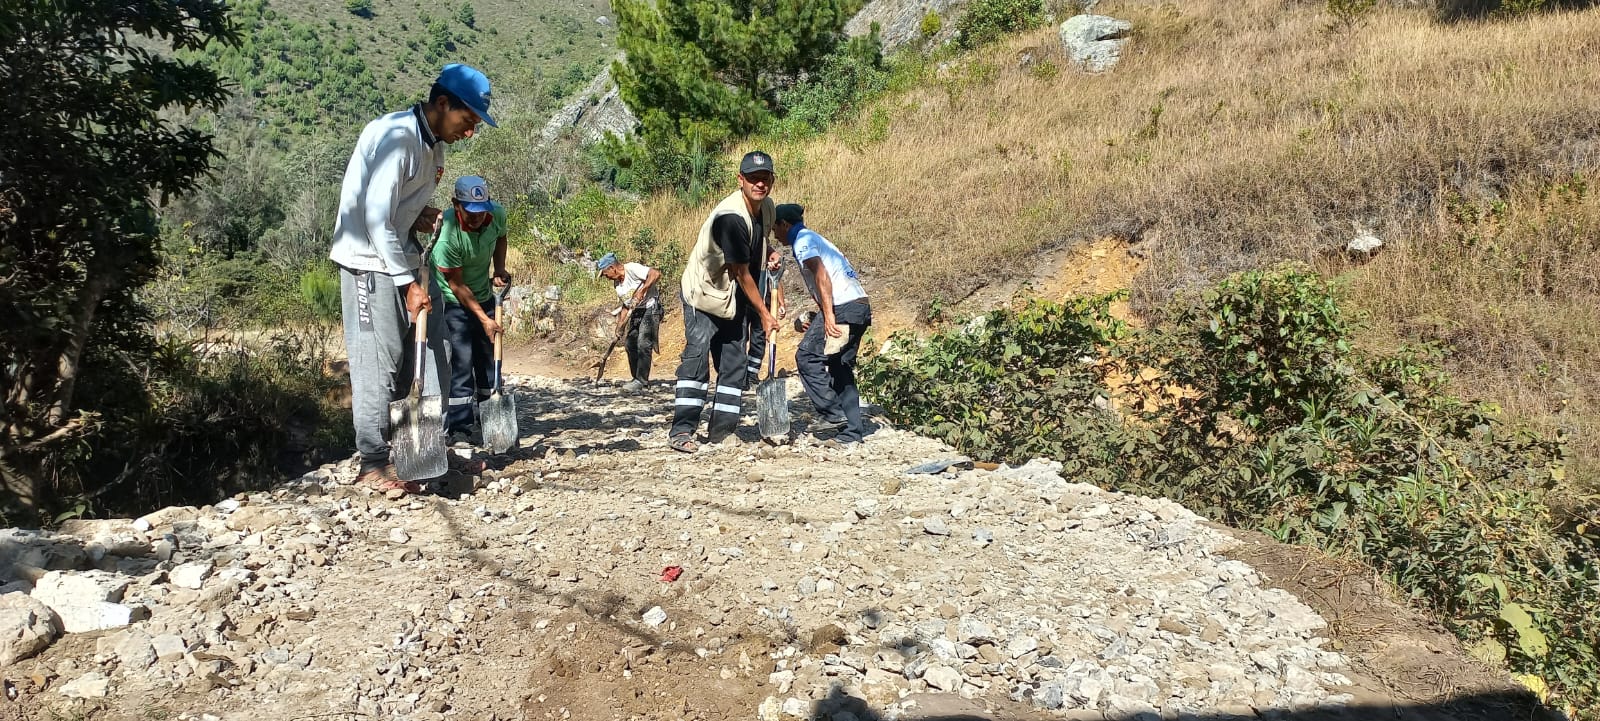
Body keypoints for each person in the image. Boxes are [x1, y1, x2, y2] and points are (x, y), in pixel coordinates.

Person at [329, 63, 497, 494]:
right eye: (468, 120)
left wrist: (419, 216)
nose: (470, 132)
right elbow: (374, 219)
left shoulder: (432, 146)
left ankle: (427, 453)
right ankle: (372, 461)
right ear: (443, 103)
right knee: (377, 363)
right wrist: (407, 284)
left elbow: (396, 211)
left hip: (401, 257)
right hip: (369, 262)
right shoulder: (398, 139)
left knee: (431, 353)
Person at [670, 150, 781, 452]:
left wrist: (768, 251)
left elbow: (758, 240)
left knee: (734, 363)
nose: (760, 184)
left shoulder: (766, 208)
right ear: (740, 179)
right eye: (753, 178)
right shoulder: (730, 217)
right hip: (703, 293)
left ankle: (721, 432)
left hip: (732, 297)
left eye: (765, 178)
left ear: (772, 180)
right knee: (697, 357)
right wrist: (764, 314)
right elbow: (741, 271)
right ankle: (682, 431)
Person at [771, 203, 873, 445]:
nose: (773, 234)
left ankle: (833, 413)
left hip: (843, 307)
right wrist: (818, 316)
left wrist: (828, 316)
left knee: (807, 356)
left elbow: (821, 275)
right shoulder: (814, 238)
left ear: (785, 224)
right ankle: (851, 432)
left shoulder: (803, 241)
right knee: (839, 366)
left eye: (774, 228)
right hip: (858, 306)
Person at [431, 175, 511, 444]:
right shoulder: (446, 236)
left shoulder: (495, 214)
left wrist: (498, 269)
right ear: (456, 204)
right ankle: (460, 426)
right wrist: (483, 319)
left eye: (481, 211)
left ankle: (491, 419)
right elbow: (457, 286)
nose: (477, 218)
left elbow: (501, 237)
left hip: (484, 294)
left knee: (488, 359)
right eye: (470, 212)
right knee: (462, 361)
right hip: (454, 301)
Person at [597, 252, 664, 392]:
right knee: (630, 343)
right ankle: (636, 378)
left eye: (605, 274)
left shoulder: (632, 269)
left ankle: (642, 381)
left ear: (612, 268)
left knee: (643, 343)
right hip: (636, 311)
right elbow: (626, 306)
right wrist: (619, 327)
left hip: (650, 307)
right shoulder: (617, 285)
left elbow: (655, 274)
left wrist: (642, 291)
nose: (606, 278)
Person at [744, 246, 787, 383]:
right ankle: (739, 378)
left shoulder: (766, 254)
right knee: (740, 339)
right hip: (743, 303)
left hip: (762, 304)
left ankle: (752, 375)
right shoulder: (743, 251)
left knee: (759, 339)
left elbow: (776, 281)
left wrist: (781, 303)